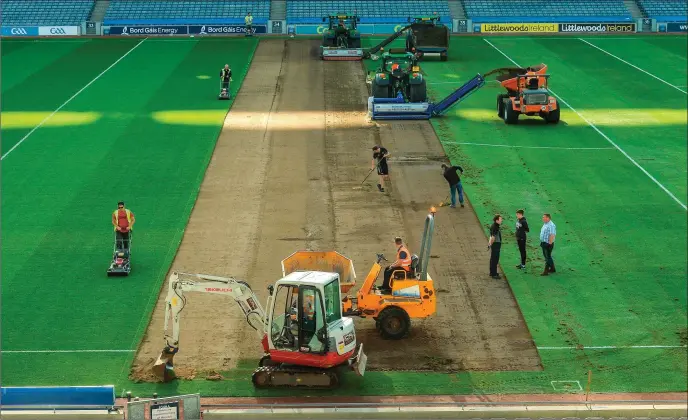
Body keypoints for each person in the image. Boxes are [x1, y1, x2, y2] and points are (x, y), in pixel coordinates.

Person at [487, 214, 502, 279]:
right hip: (496, 245)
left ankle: (492, 272)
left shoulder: (493, 225)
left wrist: (489, 243)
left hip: (494, 244)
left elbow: (491, 236)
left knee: (492, 259)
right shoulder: (495, 227)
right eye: (500, 219)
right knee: (495, 259)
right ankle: (494, 274)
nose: (501, 220)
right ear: (497, 220)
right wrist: (490, 244)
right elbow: (493, 237)